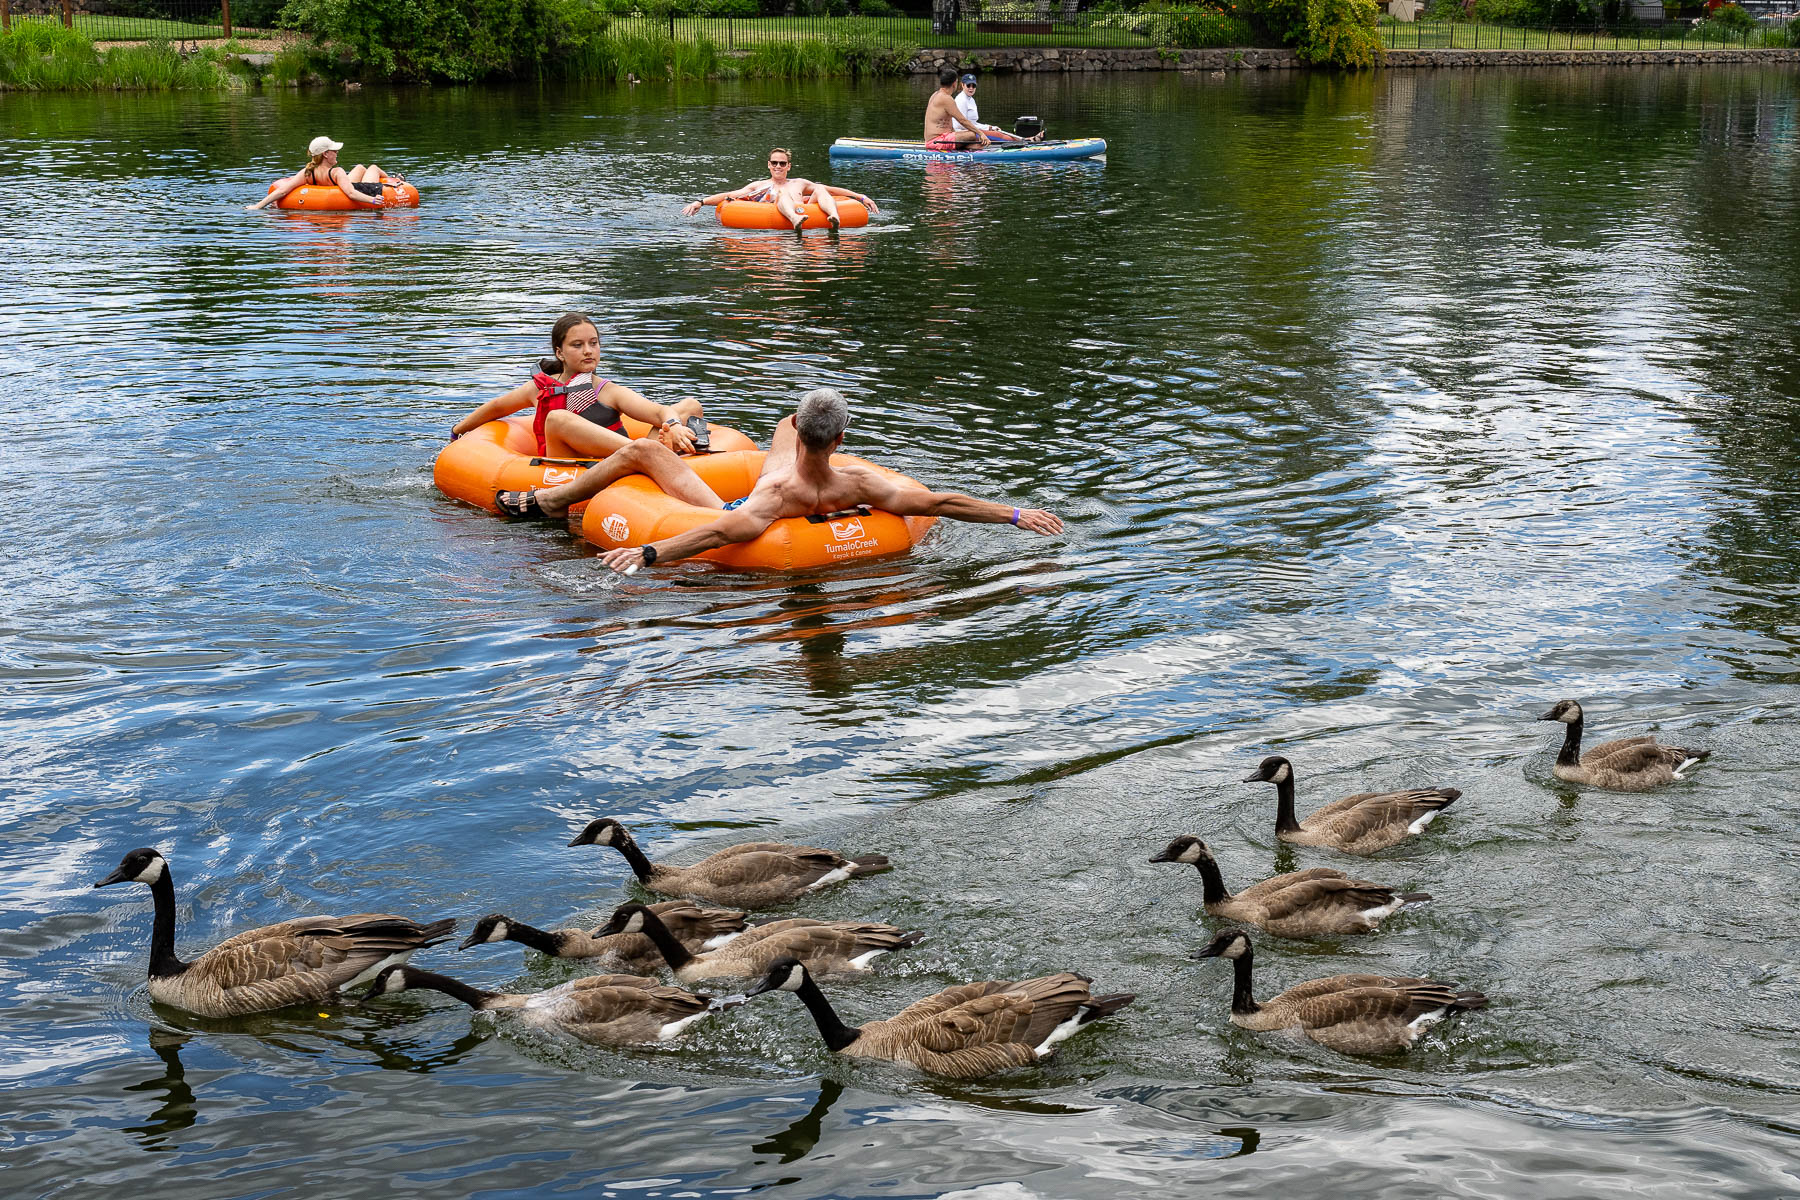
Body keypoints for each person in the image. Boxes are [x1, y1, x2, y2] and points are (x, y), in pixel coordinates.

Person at [493, 388, 1064, 572]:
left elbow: (718, 532)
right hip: (792, 477)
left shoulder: (778, 497)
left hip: (737, 498)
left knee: (642, 449)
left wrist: (647, 553)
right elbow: (941, 500)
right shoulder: (860, 482)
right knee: (785, 425)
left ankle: (550, 502)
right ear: (839, 442)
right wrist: (1015, 514)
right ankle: (799, 420)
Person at [454, 313, 707, 517]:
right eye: (578, 345)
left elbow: (658, 411)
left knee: (689, 405)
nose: (588, 351)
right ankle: (645, 452)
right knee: (557, 418)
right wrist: (458, 431)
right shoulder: (539, 388)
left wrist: (672, 423)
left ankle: (646, 453)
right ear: (559, 353)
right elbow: (498, 406)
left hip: (618, 464)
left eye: (593, 343)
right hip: (570, 469)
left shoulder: (607, 391)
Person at [682, 149, 878, 233]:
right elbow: (730, 195)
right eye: (774, 163)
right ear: (769, 165)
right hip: (785, 214)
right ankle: (794, 219)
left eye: (782, 163)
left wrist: (862, 197)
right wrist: (700, 202)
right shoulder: (758, 186)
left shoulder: (799, 183)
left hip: (808, 212)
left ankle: (834, 217)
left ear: (788, 166)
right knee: (782, 194)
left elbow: (832, 190)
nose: (778, 166)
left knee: (819, 187)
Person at [247, 136, 406, 211]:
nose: (337, 152)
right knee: (372, 168)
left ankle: (393, 177)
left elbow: (282, 190)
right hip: (351, 187)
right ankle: (396, 179)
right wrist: (373, 200)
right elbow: (351, 193)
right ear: (325, 154)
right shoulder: (337, 171)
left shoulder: (308, 171)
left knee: (359, 167)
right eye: (334, 151)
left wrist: (258, 206)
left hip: (335, 184)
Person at [954, 74, 1040, 143]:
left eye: (974, 86)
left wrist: (988, 127)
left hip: (973, 130)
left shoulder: (971, 99)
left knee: (998, 132)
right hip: (964, 133)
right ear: (962, 85)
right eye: (968, 85)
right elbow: (961, 124)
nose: (971, 88)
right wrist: (983, 129)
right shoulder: (961, 100)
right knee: (998, 135)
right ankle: (1027, 141)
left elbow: (972, 123)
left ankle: (1026, 140)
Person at [924, 68, 990, 150]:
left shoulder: (935, 94)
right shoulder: (946, 98)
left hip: (935, 140)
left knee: (977, 144)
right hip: (937, 142)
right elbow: (962, 120)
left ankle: (973, 149)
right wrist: (981, 133)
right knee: (972, 135)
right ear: (955, 83)